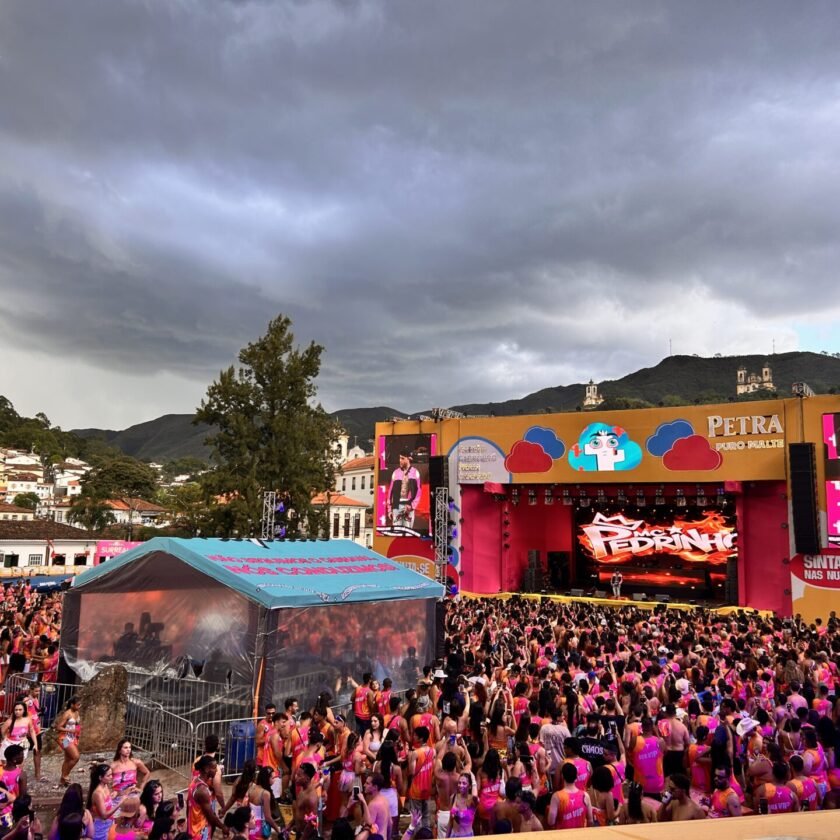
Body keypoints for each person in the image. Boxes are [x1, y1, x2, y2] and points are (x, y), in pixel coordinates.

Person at [188, 756, 229, 840]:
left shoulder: (194, 782)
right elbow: (210, 816)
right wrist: (223, 827)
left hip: (193, 828)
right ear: (207, 769)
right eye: (214, 768)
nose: (217, 770)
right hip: (200, 832)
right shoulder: (203, 791)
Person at [548, 763, 592, 829]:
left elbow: (551, 822)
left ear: (562, 776)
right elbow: (590, 821)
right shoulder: (585, 796)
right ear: (576, 776)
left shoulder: (556, 796)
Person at [247, 766, 284, 840]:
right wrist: (278, 830)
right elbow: (267, 817)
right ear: (267, 778)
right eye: (273, 778)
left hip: (250, 826)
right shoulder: (265, 794)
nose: (274, 780)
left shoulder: (252, 787)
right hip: (261, 829)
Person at [387, 451, 421, 530]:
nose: (400, 460)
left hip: (409, 506)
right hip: (396, 505)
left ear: (409, 459)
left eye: (402, 458)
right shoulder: (395, 473)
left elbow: (418, 491)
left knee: (408, 532)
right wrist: (389, 509)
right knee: (396, 531)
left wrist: (412, 505)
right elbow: (390, 491)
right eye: (399, 458)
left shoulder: (415, 472)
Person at [54, 697, 81, 786]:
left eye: (79, 705)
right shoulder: (67, 714)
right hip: (64, 738)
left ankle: (63, 779)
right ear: (72, 704)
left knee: (68, 758)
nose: (79, 706)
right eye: (77, 705)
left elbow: (77, 725)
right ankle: (65, 775)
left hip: (73, 738)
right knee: (75, 757)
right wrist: (70, 731)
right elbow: (58, 727)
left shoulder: (76, 712)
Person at [88, 764, 119, 840]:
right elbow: (104, 816)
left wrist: (114, 794)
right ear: (100, 778)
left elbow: (107, 801)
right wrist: (120, 803)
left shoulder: (105, 786)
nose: (111, 777)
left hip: (110, 824)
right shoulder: (98, 793)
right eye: (108, 776)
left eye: (111, 774)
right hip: (100, 828)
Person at [447, 774, 478, 838]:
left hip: (467, 837)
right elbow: (450, 821)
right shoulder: (453, 797)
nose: (461, 785)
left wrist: (473, 779)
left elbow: (475, 796)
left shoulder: (472, 801)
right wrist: (446, 837)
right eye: (459, 783)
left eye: (464, 783)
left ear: (469, 786)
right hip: (454, 836)